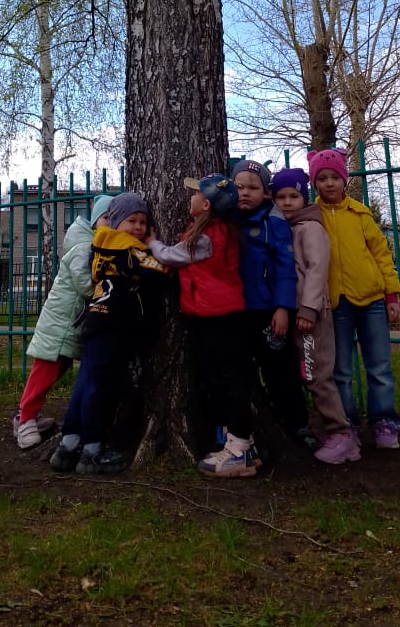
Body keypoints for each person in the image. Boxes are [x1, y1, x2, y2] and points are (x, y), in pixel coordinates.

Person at [148, 174, 259, 478]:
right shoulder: (217, 231)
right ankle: (241, 444)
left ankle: (239, 449)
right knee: (224, 378)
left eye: (195, 193)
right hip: (221, 315)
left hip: (215, 317)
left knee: (227, 380)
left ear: (206, 204)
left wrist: (152, 242)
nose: (190, 197)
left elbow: (170, 255)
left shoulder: (206, 238)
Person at [49, 192, 168, 474]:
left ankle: (69, 444)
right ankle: (93, 449)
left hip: (97, 321)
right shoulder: (128, 249)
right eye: (132, 221)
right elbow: (159, 271)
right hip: (116, 326)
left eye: (143, 222)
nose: (138, 228)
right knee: (101, 386)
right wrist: (153, 245)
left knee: (86, 381)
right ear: (115, 223)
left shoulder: (101, 243)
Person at [308, 148, 400, 450]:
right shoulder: (312, 216)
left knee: (379, 366)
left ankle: (384, 421)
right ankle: (345, 424)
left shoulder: (361, 214)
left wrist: (391, 295)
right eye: (322, 178)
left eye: (334, 177)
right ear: (314, 183)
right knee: (340, 370)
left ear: (344, 180)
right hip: (335, 304)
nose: (329, 183)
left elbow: (381, 254)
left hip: (371, 298)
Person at [271, 167, 360, 465]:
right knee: (305, 373)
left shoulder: (310, 227)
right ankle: (339, 435)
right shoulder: (287, 227)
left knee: (317, 375)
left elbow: (317, 269)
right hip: (294, 312)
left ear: (304, 198)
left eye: (293, 196)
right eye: (280, 197)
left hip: (311, 315)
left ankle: (341, 433)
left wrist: (309, 308)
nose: (286, 202)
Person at [13, 194, 114, 450]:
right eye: (106, 218)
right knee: (45, 370)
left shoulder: (95, 246)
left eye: (115, 219)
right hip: (60, 323)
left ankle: (27, 415)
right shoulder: (83, 248)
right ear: (95, 222)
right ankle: (25, 420)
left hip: (70, 323)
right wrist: (111, 284)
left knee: (58, 367)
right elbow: (85, 285)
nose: (111, 224)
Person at [230, 159, 311, 447]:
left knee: (280, 369)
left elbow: (285, 267)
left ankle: (296, 424)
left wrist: (282, 308)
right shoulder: (227, 219)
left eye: (253, 188)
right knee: (239, 370)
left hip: (268, 311)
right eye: (239, 186)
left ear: (266, 192)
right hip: (235, 310)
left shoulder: (273, 221)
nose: (245, 192)